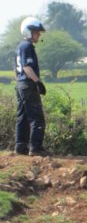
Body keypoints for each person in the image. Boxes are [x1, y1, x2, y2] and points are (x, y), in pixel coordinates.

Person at [14, 17, 48, 157]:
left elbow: (16, 70)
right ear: (28, 31)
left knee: (22, 117)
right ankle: (35, 148)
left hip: (20, 84)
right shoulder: (27, 46)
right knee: (37, 118)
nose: (39, 34)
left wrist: (19, 83)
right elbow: (27, 67)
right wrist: (38, 82)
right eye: (36, 31)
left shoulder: (20, 46)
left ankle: (20, 147)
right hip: (28, 84)